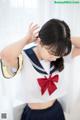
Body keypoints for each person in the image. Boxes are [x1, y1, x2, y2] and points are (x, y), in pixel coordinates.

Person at [0, 19, 72, 120]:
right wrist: (26, 39)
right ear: (40, 41)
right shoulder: (24, 57)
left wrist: (63, 37)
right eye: (51, 53)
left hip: (56, 112)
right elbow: (4, 55)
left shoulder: (58, 53)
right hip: (34, 115)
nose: (55, 58)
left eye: (58, 55)